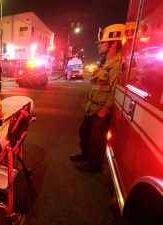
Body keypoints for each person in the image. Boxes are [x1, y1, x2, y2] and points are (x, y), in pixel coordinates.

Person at [69, 24, 125, 172]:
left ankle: (95, 164)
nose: (98, 45)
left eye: (102, 42)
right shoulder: (106, 61)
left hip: (100, 109)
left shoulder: (117, 63)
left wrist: (105, 110)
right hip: (92, 107)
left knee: (96, 139)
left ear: (113, 43)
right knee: (84, 132)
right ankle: (86, 155)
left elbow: (115, 90)